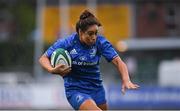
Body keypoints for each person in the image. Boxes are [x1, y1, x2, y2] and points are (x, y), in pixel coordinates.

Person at [39, 10, 139, 110]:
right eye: (90, 34)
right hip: (76, 90)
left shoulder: (101, 42)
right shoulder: (67, 43)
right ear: (80, 32)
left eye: (96, 33)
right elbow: (43, 58)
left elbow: (118, 62)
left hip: (97, 89)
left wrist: (126, 79)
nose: (94, 37)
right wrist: (52, 70)